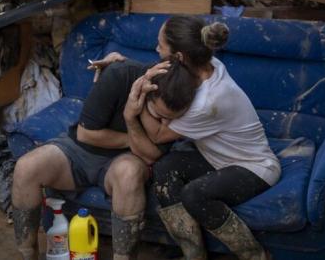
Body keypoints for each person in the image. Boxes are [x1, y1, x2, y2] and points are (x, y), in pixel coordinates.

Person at [92, 16, 281, 260]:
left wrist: (135, 103)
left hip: (254, 167)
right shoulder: (203, 63)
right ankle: (194, 255)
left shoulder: (208, 101)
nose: (156, 49)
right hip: (218, 159)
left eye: (161, 45)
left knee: (195, 194)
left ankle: (256, 255)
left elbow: (158, 135)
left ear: (179, 57)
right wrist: (122, 64)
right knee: (164, 169)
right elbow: (160, 73)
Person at [11, 59, 198, 260]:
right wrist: (135, 140)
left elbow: (151, 156)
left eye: (172, 120)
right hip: (79, 149)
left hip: (126, 161)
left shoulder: (184, 100)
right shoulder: (119, 75)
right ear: (145, 91)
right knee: (26, 167)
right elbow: (86, 134)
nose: (165, 125)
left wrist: (130, 118)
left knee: (129, 174)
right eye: (159, 116)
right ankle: (27, 254)